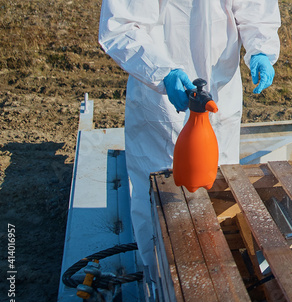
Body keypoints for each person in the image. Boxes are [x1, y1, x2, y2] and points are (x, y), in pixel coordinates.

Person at [98, 1, 281, 274]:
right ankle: (159, 278)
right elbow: (120, 27)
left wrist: (261, 50)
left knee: (220, 187)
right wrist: (162, 71)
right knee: (161, 197)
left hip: (220, 91)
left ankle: (223, 270)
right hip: (159, 102)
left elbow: (256, 9)